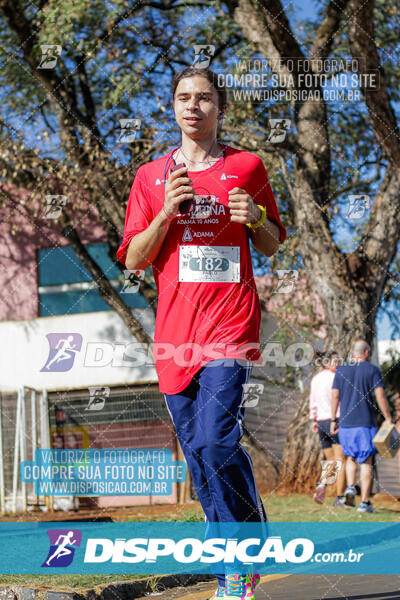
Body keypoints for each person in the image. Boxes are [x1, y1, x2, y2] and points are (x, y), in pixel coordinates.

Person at [117, 66, 286, 600]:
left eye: (205, 98)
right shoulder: (151, 177)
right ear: (173, 107)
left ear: (221, 108)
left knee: (215, 442)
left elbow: (273, 242)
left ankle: (235, 566)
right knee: (199, 455)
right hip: (174, 336)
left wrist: (255, 216)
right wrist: (166, 212)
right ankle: (245, 544)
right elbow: (136, 260)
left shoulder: (247, 165)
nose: (194, 106)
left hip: (230, 326)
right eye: (184, 98)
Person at [331, 340, 392, 513]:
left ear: (353, 351)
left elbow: (334, 396)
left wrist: (334, 420)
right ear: (366, 352)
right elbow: (380, 396)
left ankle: (350, 487)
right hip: (365, 423)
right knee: (366, 461)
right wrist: (387, 417)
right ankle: (364, 503)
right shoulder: (372, 370)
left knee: (350, 457)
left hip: (345, 424)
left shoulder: (341, 370)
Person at [309, 351, 346, 506]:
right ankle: (340, 498)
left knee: (331, 460)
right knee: (340, 461)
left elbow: (313, 400)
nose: (338, 364)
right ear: (325, 362)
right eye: (335, 361)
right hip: (335, 420)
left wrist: (314, 420)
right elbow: (339, 399)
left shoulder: (315, 379)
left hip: (321, 422)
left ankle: (322, 485)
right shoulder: (336, 377)